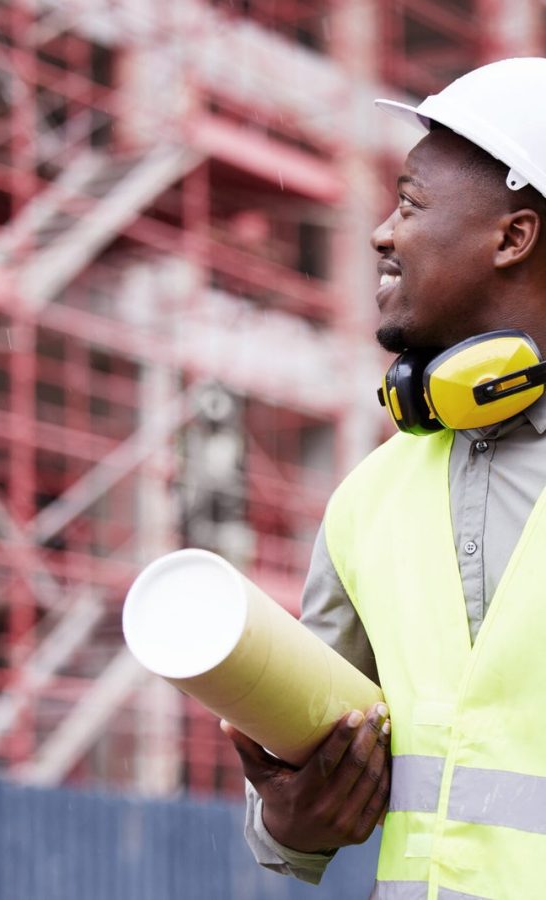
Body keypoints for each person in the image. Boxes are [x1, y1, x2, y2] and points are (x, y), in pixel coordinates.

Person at [221, 57, 546, 899]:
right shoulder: (370, 499)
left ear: (513, 238)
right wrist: (285, 818)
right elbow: (299, 805)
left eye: (410, 202)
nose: (381, 232)